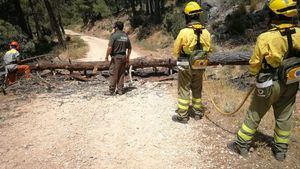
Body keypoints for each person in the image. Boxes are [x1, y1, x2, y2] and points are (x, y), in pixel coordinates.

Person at [228, 0, 300, 161]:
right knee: (285, 115)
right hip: (292, 81)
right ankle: (280, 151)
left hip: (269, 83)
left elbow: (255, 63)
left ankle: (241, 144)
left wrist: (255, 73)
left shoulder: (266, 37)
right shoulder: (299, 33)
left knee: (255, 113)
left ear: (274, 14)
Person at [172, 1, 212, 123]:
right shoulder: (206, 32)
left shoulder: (184, 32)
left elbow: (176, 50)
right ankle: (198, 113)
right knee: (197, 88)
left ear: (187, 16)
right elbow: (209, 49)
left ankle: (183, 116)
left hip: (186, 64)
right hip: (200, 64)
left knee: (184, 88)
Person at [105, 21, 132, 96]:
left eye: (114, 27)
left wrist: (106, 57)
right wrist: (127, 57)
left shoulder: (114, 36)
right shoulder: (125, 36)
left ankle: (111, 91)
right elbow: (129, 48)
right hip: (123, 56)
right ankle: (120, 90)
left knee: (113, 73)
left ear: (116, 27)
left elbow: (109, 48)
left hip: (116, 57)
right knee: (121, 73)